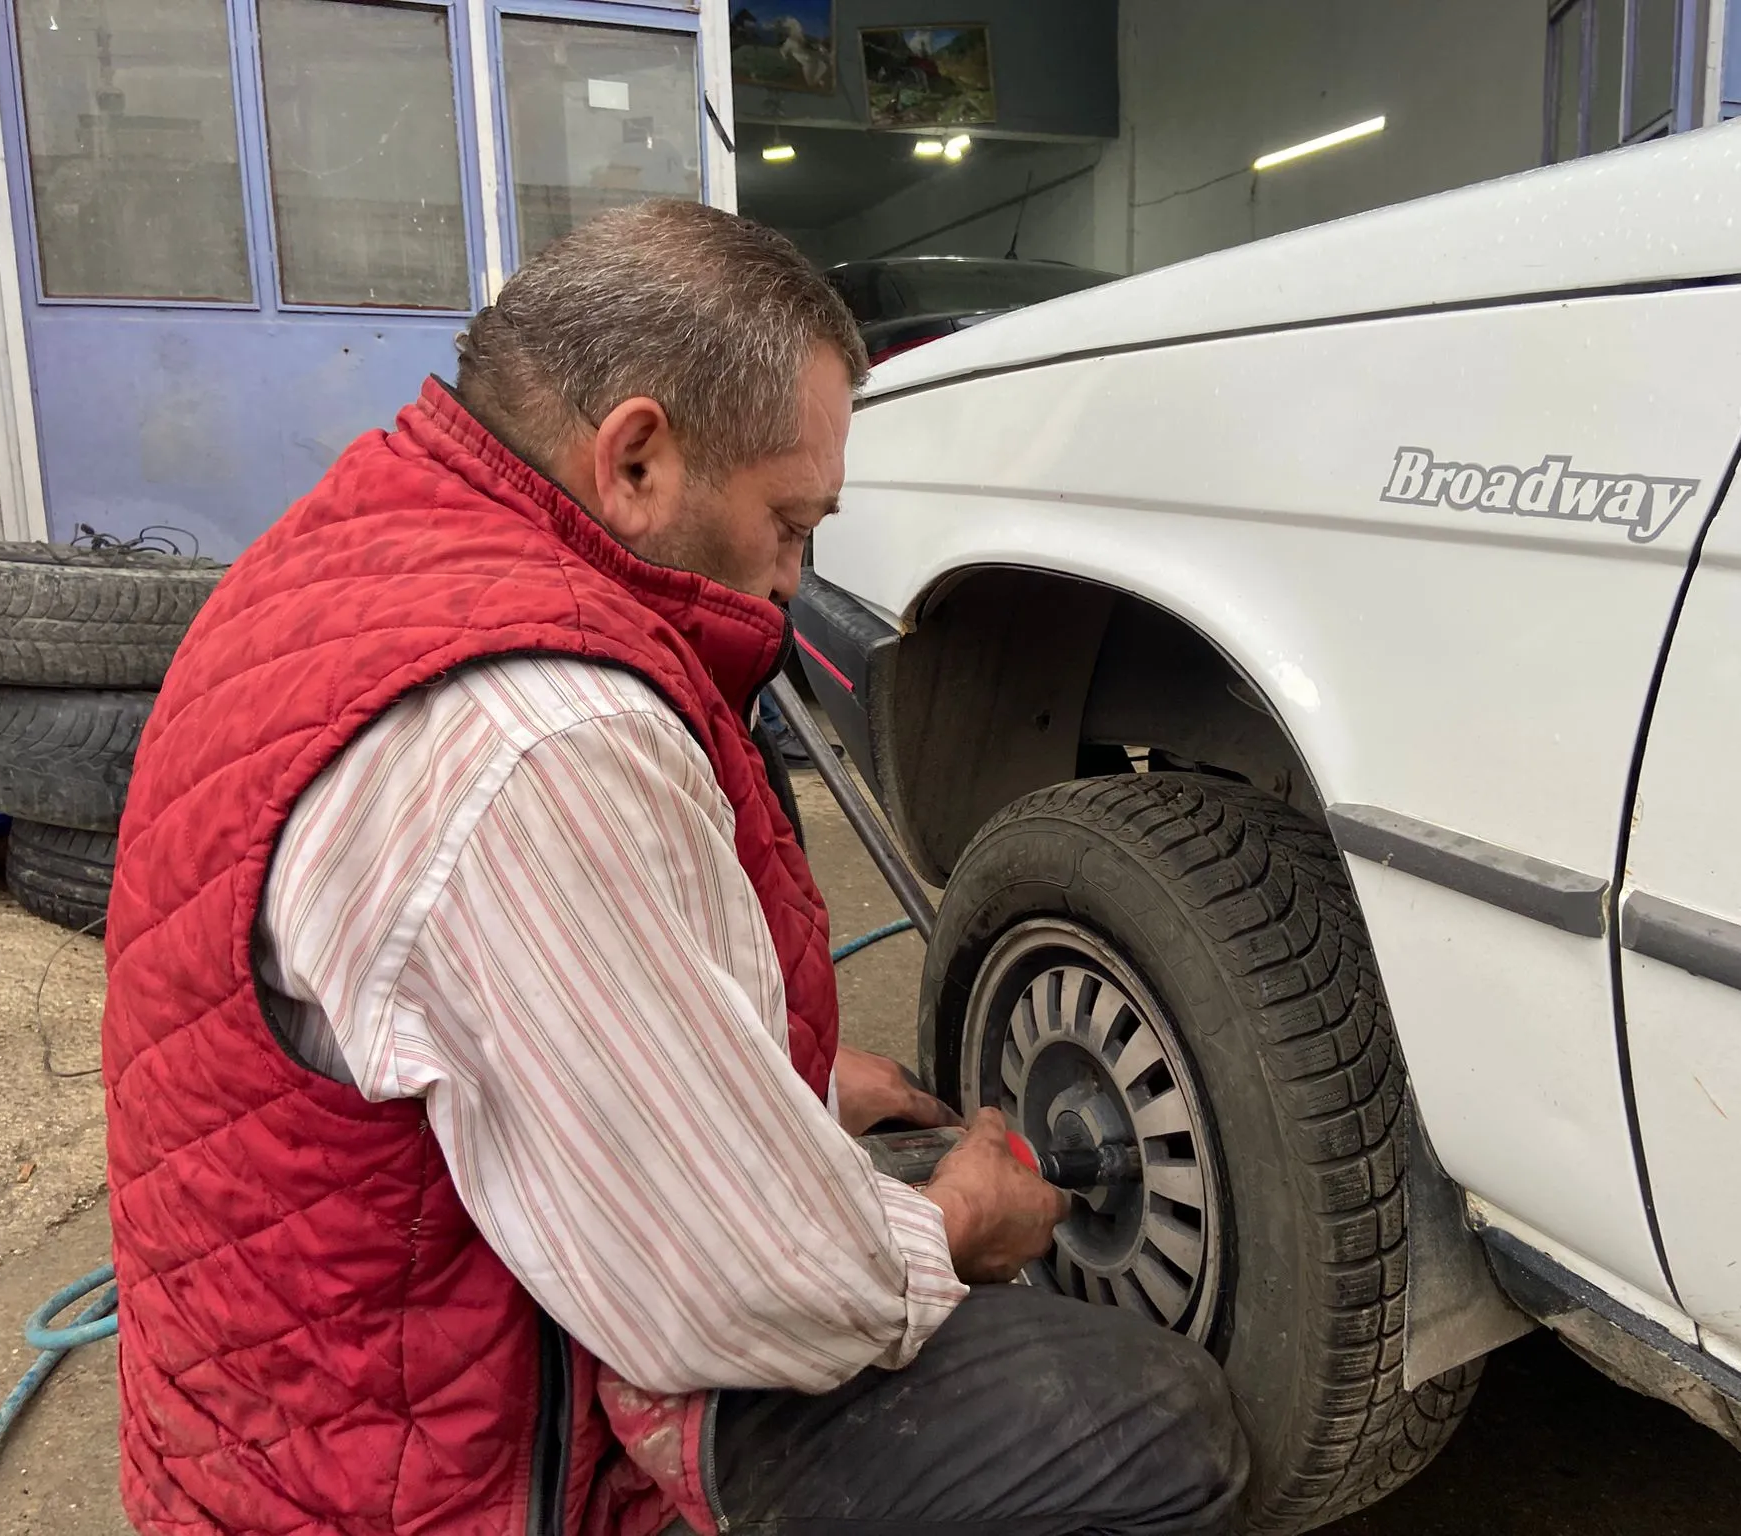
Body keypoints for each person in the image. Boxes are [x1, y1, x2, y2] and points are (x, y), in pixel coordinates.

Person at [101, 199, 1246, 1536]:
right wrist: (952, 1227)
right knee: (1152, 1435)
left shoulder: (367, 550)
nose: (791, 576)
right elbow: (754, 1290)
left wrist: (786, 1078)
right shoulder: (536, 741)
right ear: (637, 457)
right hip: (432, 1485)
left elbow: (475, 1024)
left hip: (321, 1397)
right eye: (790, 521)